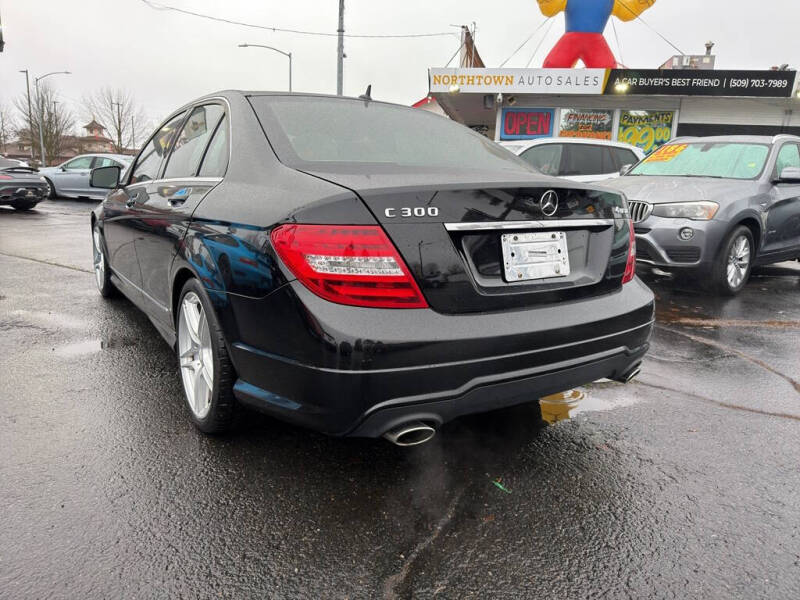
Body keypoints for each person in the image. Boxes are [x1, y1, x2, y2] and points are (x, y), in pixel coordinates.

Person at [537, 0, 656, 68]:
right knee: (554, 66)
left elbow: (627, 13)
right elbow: (549, 9)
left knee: (606, 71)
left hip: (594, 43)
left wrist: (642, 3)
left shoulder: (612, 1)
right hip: (571, 41)